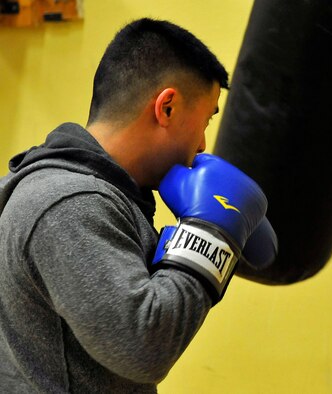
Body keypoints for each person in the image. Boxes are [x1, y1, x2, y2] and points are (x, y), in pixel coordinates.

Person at [0, 18, 276, 393]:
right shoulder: (70, 205)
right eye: (204, 120)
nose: (202, 146)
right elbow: (142, 346)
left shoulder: (93, 193)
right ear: (167, 107)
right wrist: (209, 234)